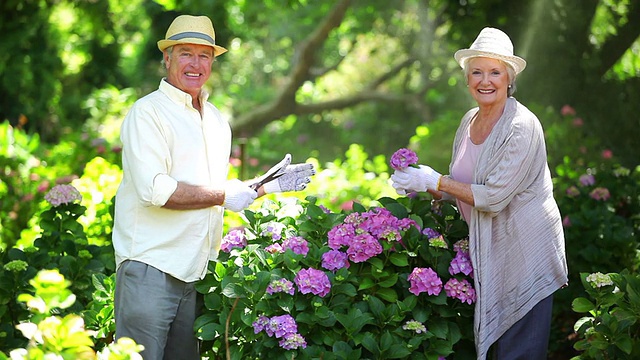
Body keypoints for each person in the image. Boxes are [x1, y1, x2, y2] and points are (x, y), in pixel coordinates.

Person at [112, 14, 315, 360]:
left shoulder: (217, 121)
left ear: (213, 61)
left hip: (195, 274)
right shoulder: (147, 113)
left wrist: (263, 187)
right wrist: (224, 194)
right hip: (149, 270)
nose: (195, 64)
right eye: (185, 53)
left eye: (204, 55)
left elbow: (212, 191)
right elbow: (155, 190)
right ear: (167, 57)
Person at [391, 27, 568, 359]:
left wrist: (437, 180)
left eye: (495, 72)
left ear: (509, 78)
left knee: (519, 352)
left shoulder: (521, 126)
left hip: (523, 255)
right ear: (467, 79)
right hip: (490, 252)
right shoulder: (469, 120)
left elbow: (493, 196)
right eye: (477, 72)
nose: (485, 81)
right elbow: (464, 186)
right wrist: (421, 183)